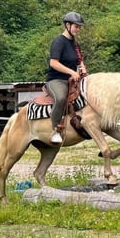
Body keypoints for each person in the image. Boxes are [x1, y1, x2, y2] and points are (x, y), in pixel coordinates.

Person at [45, 11, 87, 144]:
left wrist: (82, 68)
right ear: (67, 25)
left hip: (72, 80)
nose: (78, 29)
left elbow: (79, 60)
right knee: (61, 97)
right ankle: (55, 131)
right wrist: (71, 72)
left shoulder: (75, 44)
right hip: (56, 80)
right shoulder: (58, 42)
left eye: (79, 27)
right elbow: (53, 63)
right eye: (76, 26)